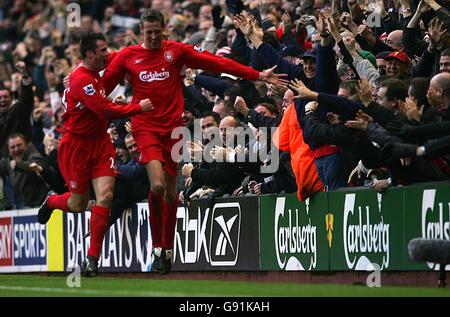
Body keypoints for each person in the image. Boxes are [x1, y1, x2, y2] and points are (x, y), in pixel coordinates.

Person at [102, 9, 288, 274]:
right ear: (142, 31)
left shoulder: (176, 51)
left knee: (168, 191)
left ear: (164, 29)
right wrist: (80, 83)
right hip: (145, 129)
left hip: (172, 132)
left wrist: (256, 75)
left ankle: (167, 249)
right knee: (155, 185)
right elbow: (102, 88)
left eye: (157, 32)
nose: (153, 37)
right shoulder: (128, 56)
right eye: (148, 32)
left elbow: (217, 63)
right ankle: (157, 248)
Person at [37, 33, 153, 277]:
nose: (107, 54)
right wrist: (136, 108)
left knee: (106, 195)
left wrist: (138, 45)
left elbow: (119, 60)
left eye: (107, 48)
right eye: (102, 50)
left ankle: (92, 258)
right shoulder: (80, 80)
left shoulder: (92, 72)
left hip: (100, 144)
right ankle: (51, 201)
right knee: (78, 203)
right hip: (77, 147)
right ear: (89, 54)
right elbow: (104, 109)